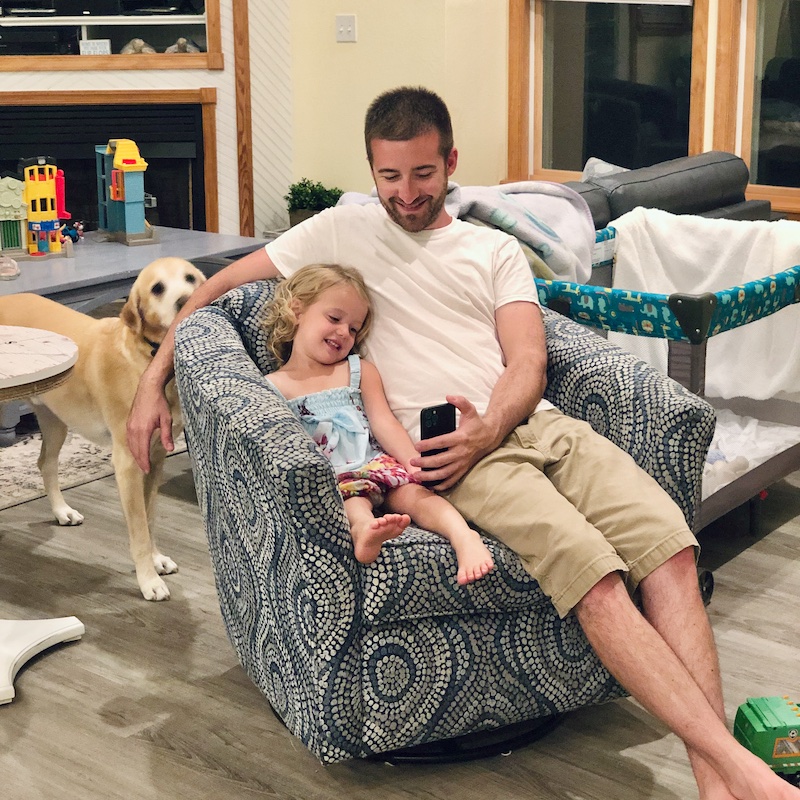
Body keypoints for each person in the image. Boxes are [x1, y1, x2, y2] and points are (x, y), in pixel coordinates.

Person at [128, 86, 799, 800]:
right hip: (442, 449)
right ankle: (741, 774)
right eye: (389, 176)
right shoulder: (340, 232)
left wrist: (491, 425)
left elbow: (529, 361)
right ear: (371, 171)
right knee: (593, 576)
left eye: (422, 174)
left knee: (671, 552)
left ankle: (719, 779)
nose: (406, 193)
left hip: (534, 425)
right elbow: (216, 295)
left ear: (450, 162)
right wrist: (151, 384)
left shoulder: (493, 249)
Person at [262, 262, 494, 585]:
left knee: (416, 496)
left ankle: (463, 537)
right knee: (353, 501)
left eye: (354, 328)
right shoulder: (273, 387)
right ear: (296, 309)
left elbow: (383, 422)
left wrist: (413, 464)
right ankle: (364, 531)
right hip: (333, 481)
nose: (344, 332)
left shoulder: (358, 370)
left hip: (375, 465)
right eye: (334, 319)